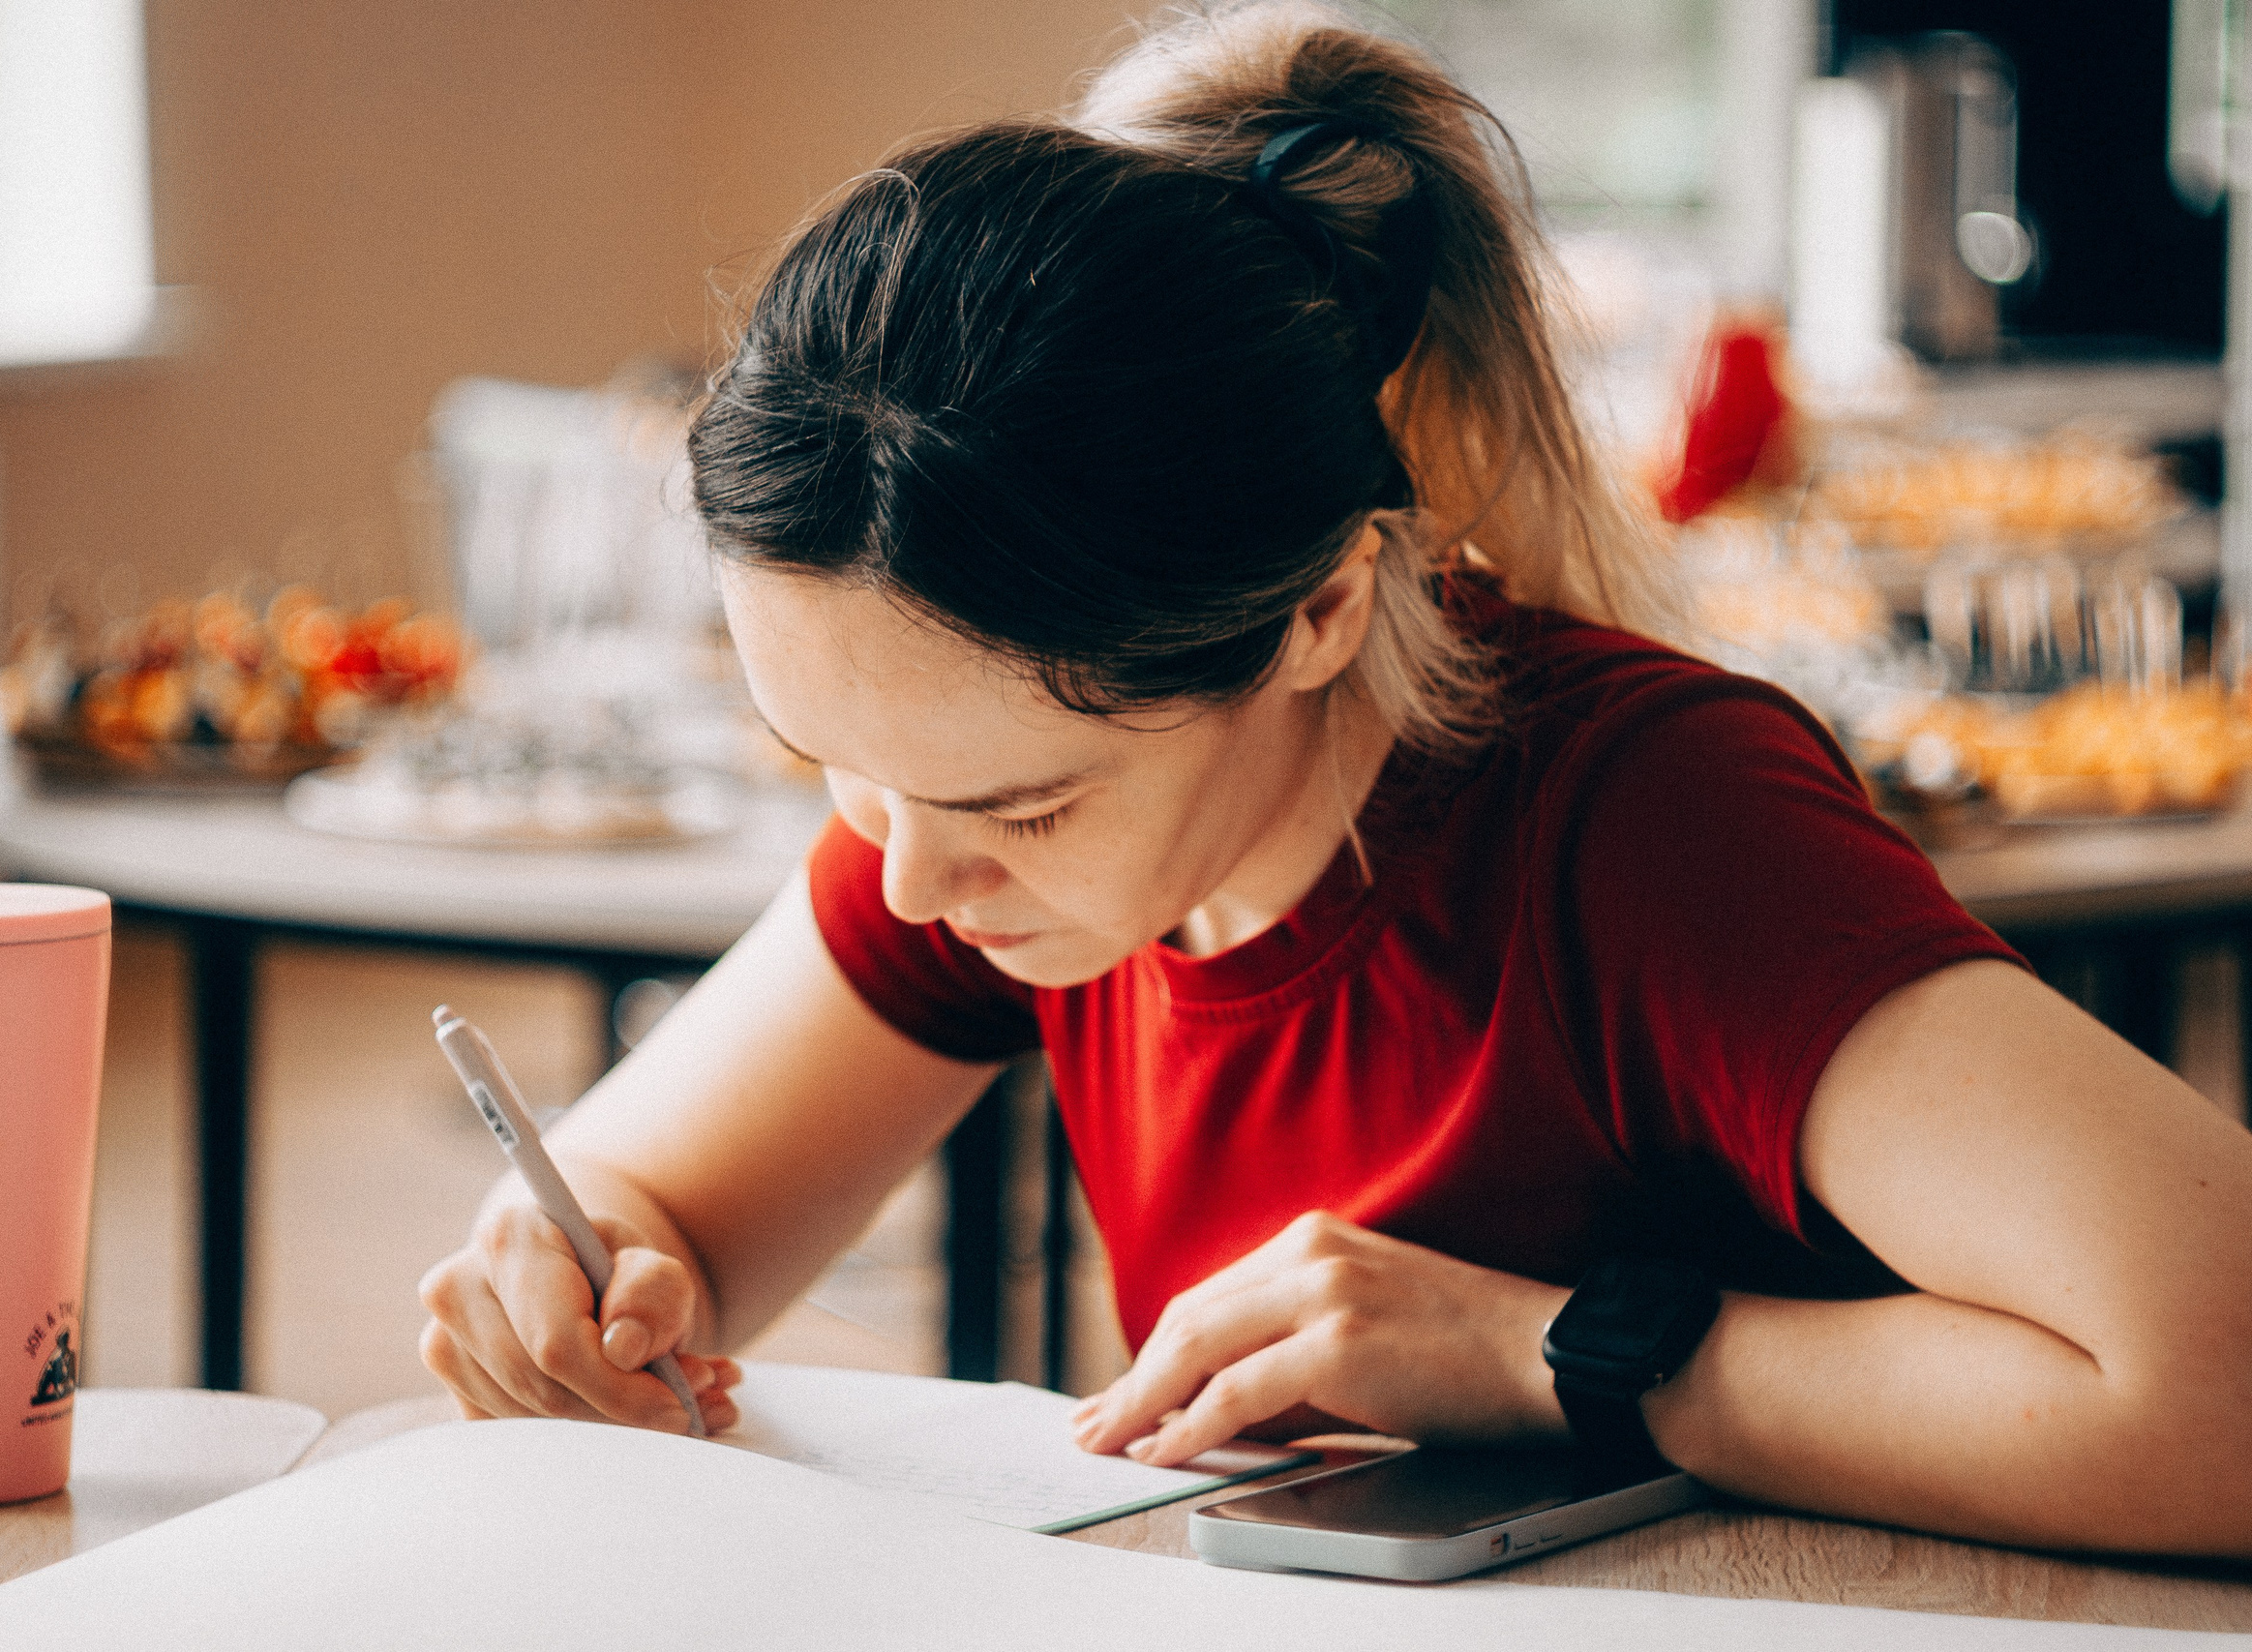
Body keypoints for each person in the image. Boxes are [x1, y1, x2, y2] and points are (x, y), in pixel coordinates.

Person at [419, 2, 2252, 1557]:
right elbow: (661, 1214)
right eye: (832, 769)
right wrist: (580, 1273)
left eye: (1021, 809)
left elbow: (2226, 1377)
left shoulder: (1648, 826)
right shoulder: (973, 801)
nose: (903, 883)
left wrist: (1550, 1352)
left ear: (1322, 611)